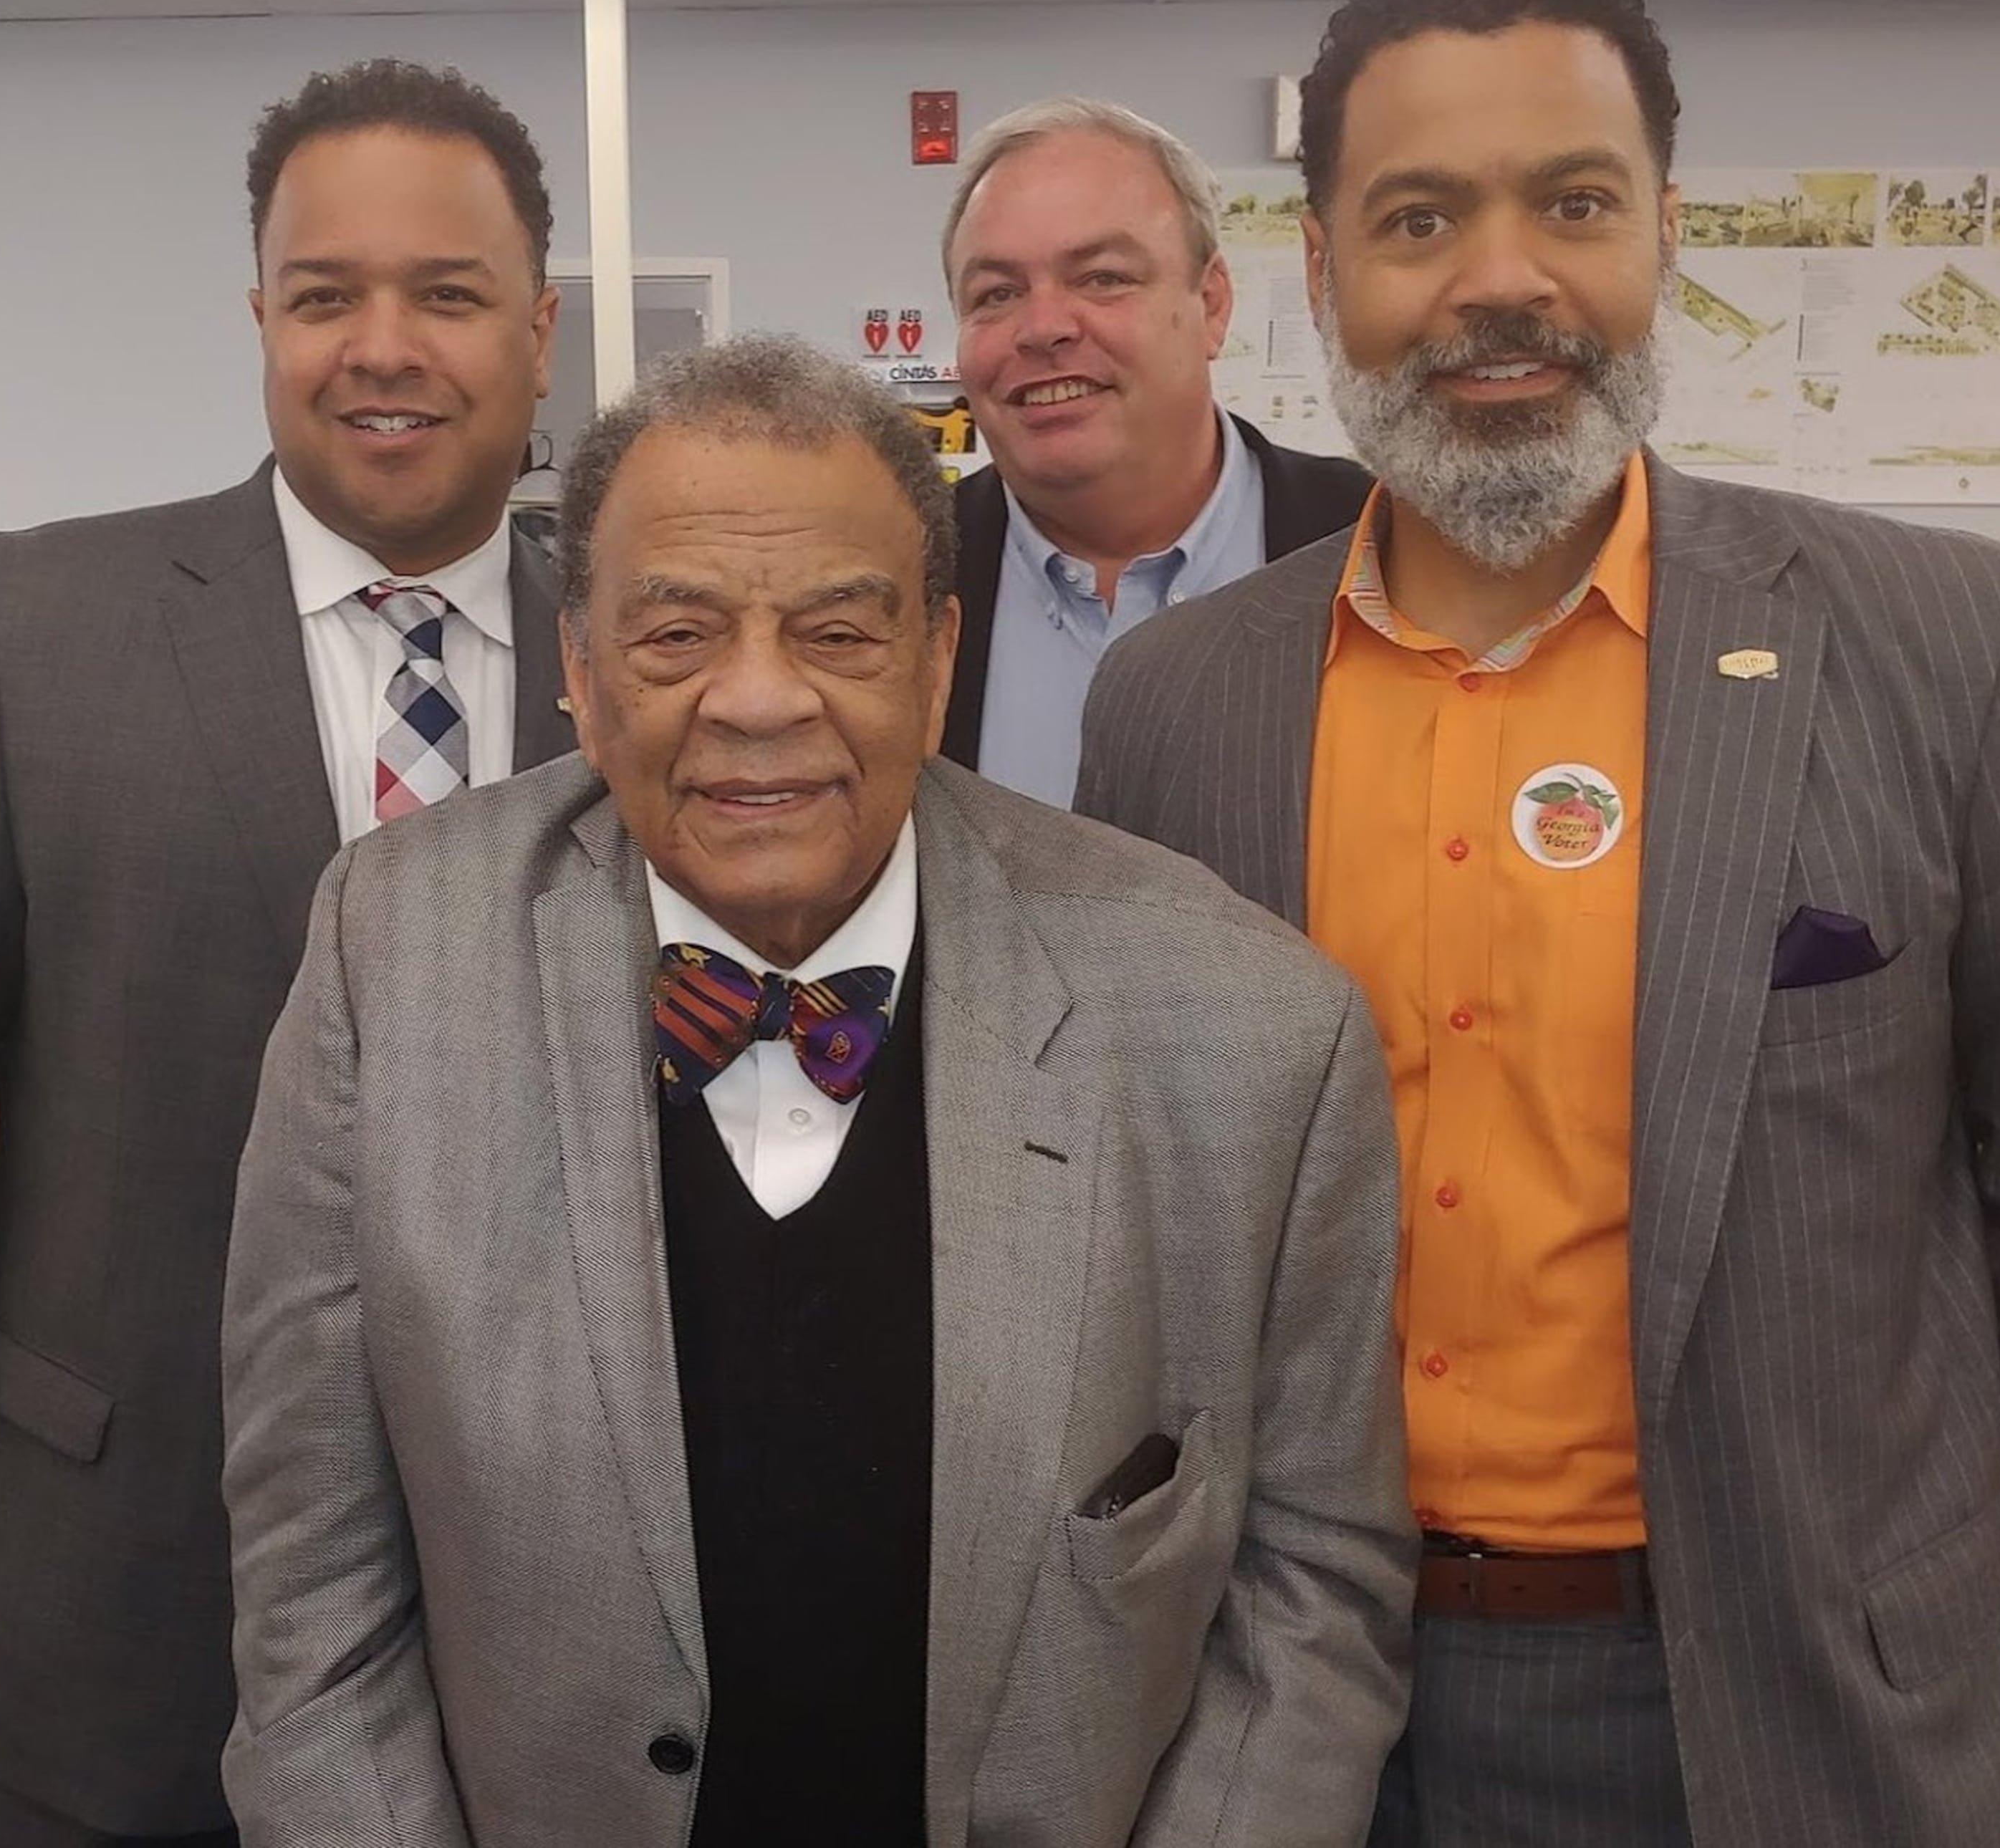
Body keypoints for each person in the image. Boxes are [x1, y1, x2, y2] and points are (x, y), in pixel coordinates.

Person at [1077, 0, 2000, 1848]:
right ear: (1323, 274)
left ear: (1666, 228)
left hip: (1786, 1696)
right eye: (1419, 217)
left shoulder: (1960, 644)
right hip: (1301, 1690)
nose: (1503, 279)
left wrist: (1909, 1514)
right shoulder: (1177, 703)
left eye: (1571, 203)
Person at [221, 333, 1414, 1846]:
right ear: (582, 677)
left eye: (840, 634)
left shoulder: (1249, 1026)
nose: (760, 700)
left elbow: (1314, 1591)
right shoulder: (387, 964)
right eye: (676, 637)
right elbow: (312, 1587)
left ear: (937, 664)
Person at [0, 57, 577, 1846]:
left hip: (554, 1588)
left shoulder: (646, 654)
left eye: (446, 295)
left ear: (537, 333)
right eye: (325, 296)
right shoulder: (28, 632)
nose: (383, 345)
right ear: (259, 321)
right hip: (125, 1569)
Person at [938, 97, 1372, 805]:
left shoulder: (1382, 546)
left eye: (1103, 277)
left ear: (1212, 304)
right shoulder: (902, 573)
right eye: (996, 293)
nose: (1043, 327)